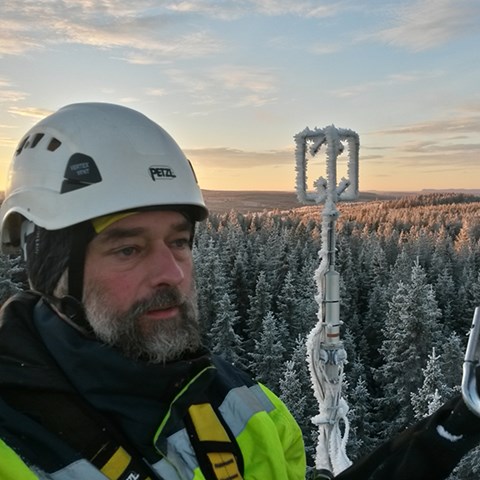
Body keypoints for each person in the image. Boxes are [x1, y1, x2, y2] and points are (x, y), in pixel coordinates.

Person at [0, 102, 479, 480]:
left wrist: (457, 423)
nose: (171, 272)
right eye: (128, 249)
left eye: (180, 242)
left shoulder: (241, 405)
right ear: (52, 269)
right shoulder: (15, 442)